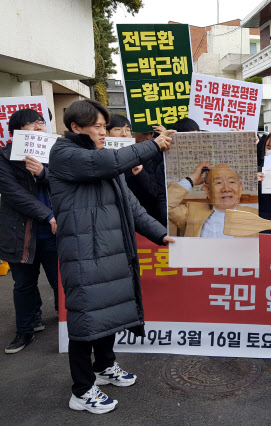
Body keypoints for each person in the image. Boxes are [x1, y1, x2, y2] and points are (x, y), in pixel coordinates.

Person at [48, 99, 175, 414]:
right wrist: (153, 145)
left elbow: (131, 207)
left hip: (112, 253)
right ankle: (81, 390)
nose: (104, 132)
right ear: (76, 127)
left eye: (105, 126)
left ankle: (105, 367)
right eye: (98, 126)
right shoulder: (64, 154)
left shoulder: (105, 161)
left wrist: (160, 233)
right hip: (84, 254)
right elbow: (106, 163)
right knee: (85, 320)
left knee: (108, 312)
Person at [0, 109, 58, 354]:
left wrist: (44, 173)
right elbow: (14, 194)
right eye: (31, 124)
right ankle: (25, 329)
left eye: (41, 123)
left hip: (55, 232)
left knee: (61, 282)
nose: (38, 128)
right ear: (15, 131)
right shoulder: (4, 156)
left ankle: (66, 322)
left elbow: (68, 179)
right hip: (21, 233)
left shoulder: (55, 151)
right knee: (23, 284)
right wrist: (47, 214)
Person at [167, 162, 258, 238]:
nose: (226, 189)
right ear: (207, 190)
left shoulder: (256, 216)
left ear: (240, 188)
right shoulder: (192, 212)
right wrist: (192, 180)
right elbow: (166, 205)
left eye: (231, 182)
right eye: (218, 183)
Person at [107, 115, 168, 225]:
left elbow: (154, 192)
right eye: (118, 130)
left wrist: (140, 173)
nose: (124, 134)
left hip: (141, 218)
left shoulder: (145, 157)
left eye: (127, 130)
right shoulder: (100, 156)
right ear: (106, 133)